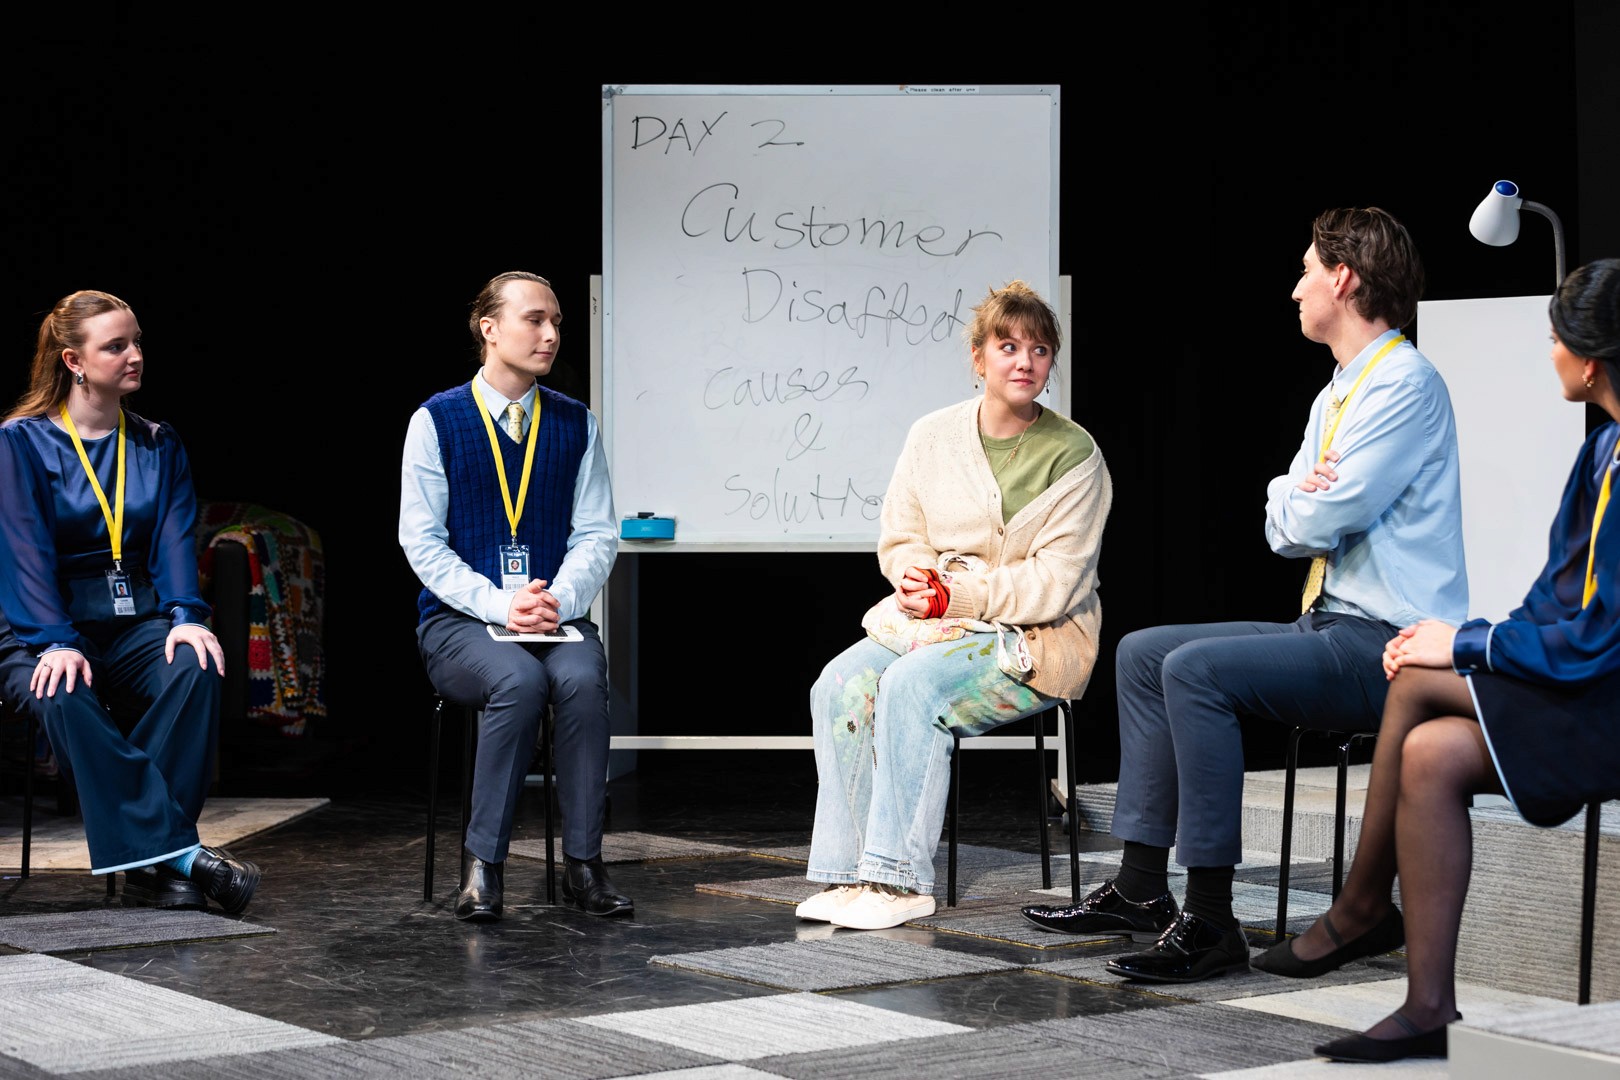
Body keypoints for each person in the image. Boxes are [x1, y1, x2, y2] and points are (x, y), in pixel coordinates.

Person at [1021, 207, 1468, 982]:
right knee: (1143, 653)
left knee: (1197, 670)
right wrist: (1295, 494)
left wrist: (1299, 496)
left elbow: (1324, 515)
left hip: (1391, 646)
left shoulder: (1405, 383)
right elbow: (1283, 527)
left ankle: (1210, 919)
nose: (1296, 289)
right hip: (1327, 624)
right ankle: (1140, 888)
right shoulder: (1337, 394)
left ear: (1343, 278)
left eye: (1306, 271)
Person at [1250, 258, 1620, 1063]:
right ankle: (1425, 1006)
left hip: (1604, 700)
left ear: (1591, 362)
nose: (1550, 352)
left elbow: (1598, 639)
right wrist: (1480, 639)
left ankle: (1357, 909)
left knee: (1418, 673)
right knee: (1428, 753)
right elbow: (1552, 601)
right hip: (1582, 686)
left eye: (1556, 339)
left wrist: (1464, 643)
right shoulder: (1602, 452)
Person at [798, 279, 1113, 931]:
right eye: (1008, 347)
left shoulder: (1076, 455)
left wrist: (959, 594)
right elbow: (903, 534)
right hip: (936, 622)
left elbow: (1057, 582)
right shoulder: (932, 436)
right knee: (838, 684)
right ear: (979, 357)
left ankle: (897, 880)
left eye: (1040, 350)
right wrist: (915, 580)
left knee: (911, 688)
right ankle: (849, 872)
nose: (1025, 362)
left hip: (1037, 639)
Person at [0, 290, 259, 912]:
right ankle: (181, 859)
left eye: (136, 341)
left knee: (196, 663)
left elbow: (173, 539)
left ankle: (154, 860)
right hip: (38, 626)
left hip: (134, 620)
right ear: (73, 360)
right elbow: (22, 549)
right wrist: (53, 640)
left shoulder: (157, 442)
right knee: (60, 686)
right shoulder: (20, 442)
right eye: (116, 346)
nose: (134, 355)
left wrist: (187, 616)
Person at [400, 271, 628, 922]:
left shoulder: (576, 423)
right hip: (460, 622)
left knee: (580, 678)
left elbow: (596, 532)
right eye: (535, 320)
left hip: (556, 614)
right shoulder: (437, 420)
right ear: (489, 329)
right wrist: (502, 606)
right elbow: (422, 542)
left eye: (557, 322)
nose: (551, 334)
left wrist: (558, 598)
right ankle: (483, 865)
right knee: (518, 683)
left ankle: (584, 864)